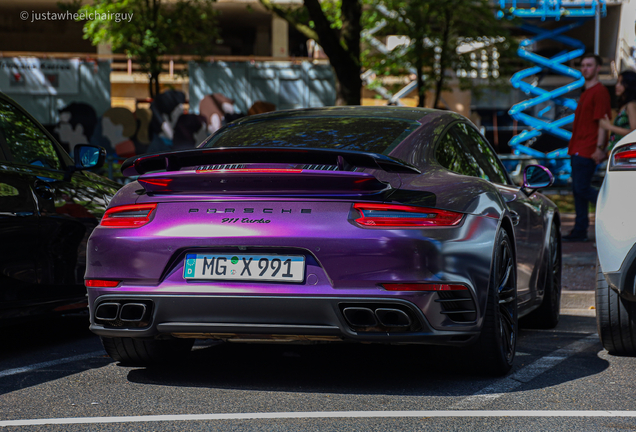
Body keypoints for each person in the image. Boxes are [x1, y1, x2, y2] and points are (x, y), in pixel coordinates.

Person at [563, 53, 612, 242]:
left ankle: (611, 209)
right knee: (577, 190)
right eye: (583, 65)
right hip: (577, 148)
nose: (585, 68)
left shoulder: (599, 92)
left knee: (582, 189)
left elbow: (603, 122)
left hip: (589, 149)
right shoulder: (585, 92)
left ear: (598, 68)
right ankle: (580, 230)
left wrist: (600, 148)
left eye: (589, 65)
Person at [600, 70, 636, 152]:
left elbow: (633, 132)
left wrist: (609, 127)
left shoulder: (631, 105)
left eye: (621, 83)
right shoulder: (624, 105)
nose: (617, 86)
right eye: (617, 82)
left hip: (627, 154)